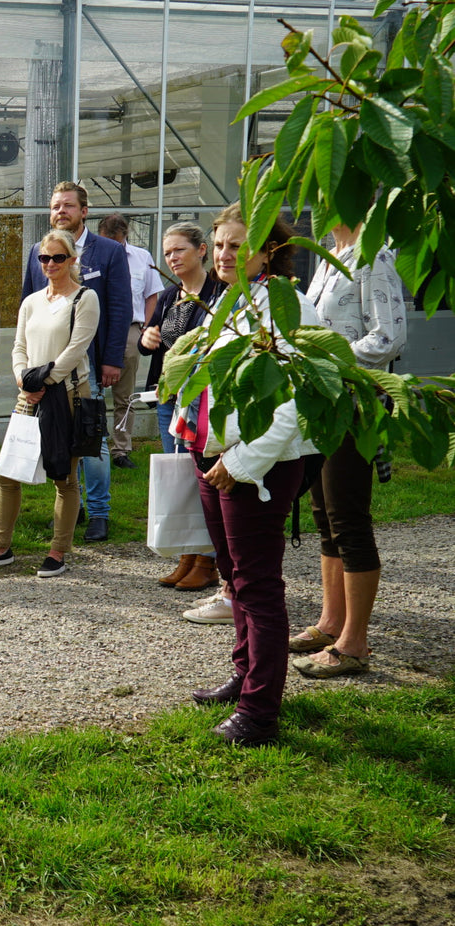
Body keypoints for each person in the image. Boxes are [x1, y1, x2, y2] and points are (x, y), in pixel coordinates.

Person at [185, 203, 320, 747]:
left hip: (253, 468)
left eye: (236, 246)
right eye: (218, 245)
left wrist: (240, 464)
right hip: (213, 459)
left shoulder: (285, 305)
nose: (223, 255)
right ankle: (245, 676)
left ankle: (259, 711)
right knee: (234, 579)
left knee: (259, 587)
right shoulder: (229, 301)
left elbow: (289, 403)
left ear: (269, 251)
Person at [291, 223, 407, 679]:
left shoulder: (372, 255)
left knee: (348, 519)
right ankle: (331, 623)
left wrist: (326, 363)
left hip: (353, 404)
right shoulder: (327, 255)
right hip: (322, 405)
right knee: (325, 516)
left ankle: (355, 642)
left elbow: (389, 338)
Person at [0, 229, 98, 578]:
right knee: (8, 473)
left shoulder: (84, 299)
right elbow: (19, 348)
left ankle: (58, 551)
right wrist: (26, 383)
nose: (51, 264)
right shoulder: (31, 302)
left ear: (72, 260)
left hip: (68, 395)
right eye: (45, 258)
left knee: (64, 477)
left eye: (58, 257)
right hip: (30, 395)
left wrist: (42, 381)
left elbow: (76, 349)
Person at [21, 182, 131, 542]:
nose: (61, 212)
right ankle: (74, 505)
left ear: (84, 211)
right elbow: (29, 306)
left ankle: (99, 511)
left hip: (90, 366)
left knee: (92, 438)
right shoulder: (40, 252)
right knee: (61, 437)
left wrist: (112, 360)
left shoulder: (109, 252)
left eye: (68, 205)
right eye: (55, 206)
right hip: (48, 371)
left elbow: (119, 308)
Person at [139, 222, 225, 595]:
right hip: (168, 398)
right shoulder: (171, 295)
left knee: (201, 478)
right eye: (168, 252)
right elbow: (149, 345)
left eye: (179, 250)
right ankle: (188, 555)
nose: (172, 258)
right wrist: (146, 337)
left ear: (202, 250)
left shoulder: (219, 293)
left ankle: (207, 560)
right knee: (179, 476)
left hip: (200, 400)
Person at [98, 213, 162, 470]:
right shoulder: (93, 255)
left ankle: (120, 449)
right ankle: (94, 446)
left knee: (124, 395)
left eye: (116, 241)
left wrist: (145, 326)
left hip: (129, 330)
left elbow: (151, 295)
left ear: (124, 237)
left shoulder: (141, 258)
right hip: (96, 330)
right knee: (92, 392)